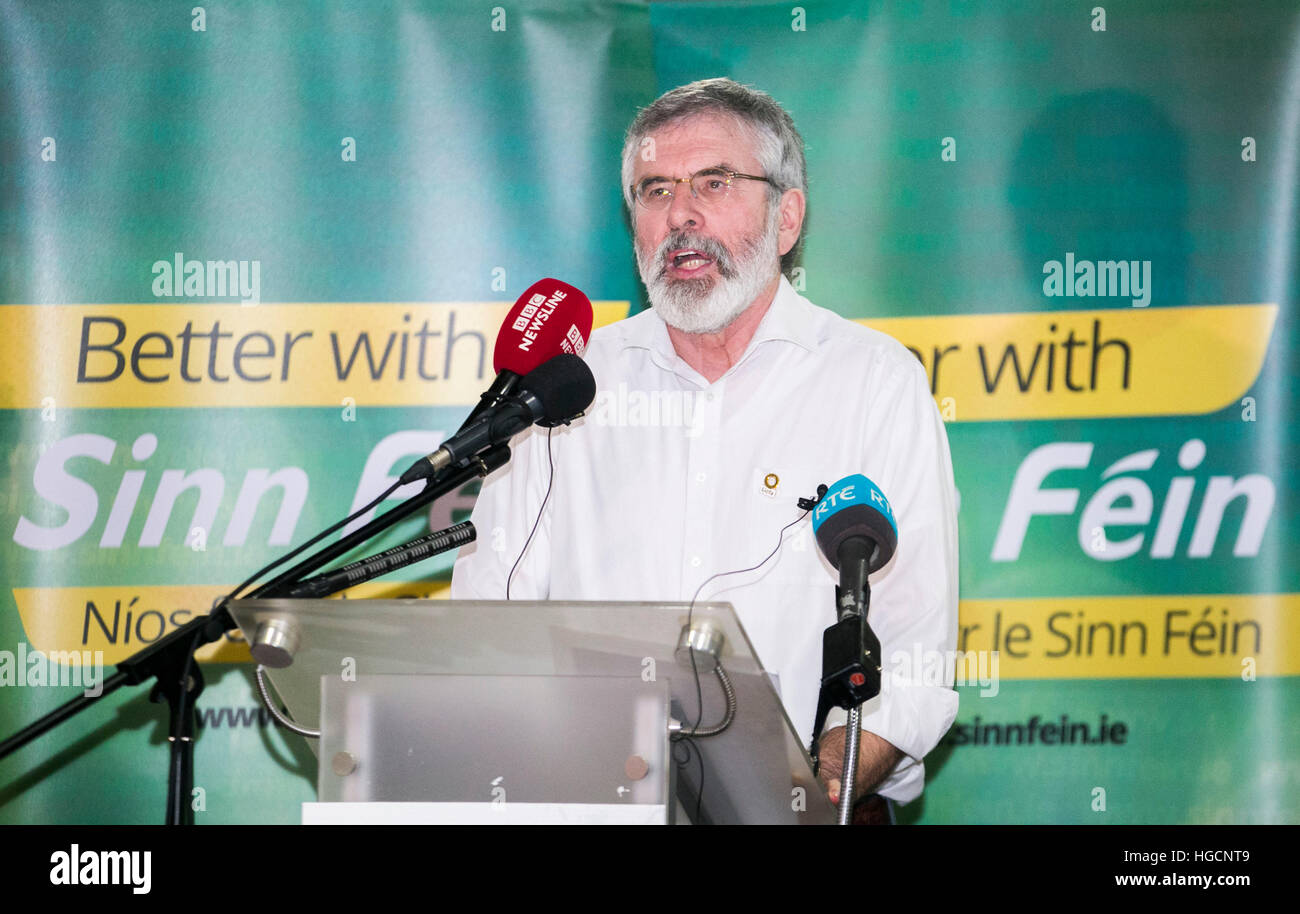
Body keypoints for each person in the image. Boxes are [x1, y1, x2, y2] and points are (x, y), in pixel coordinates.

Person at [452, 77, 959, 821]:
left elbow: (915, 647)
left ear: (787, 217)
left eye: (713, 183)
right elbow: (487, 622)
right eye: (654, 191)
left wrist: (829, 773)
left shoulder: (873, 382)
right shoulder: (567, 388)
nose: (680, 214)